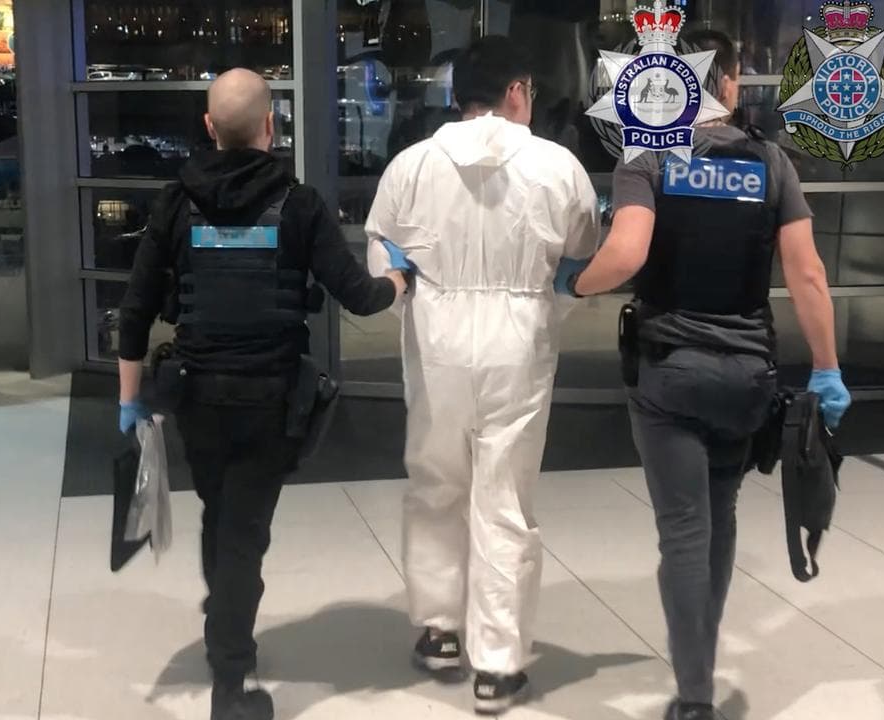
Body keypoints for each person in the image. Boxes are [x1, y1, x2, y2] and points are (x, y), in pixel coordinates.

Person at [558, 30, 852, 720]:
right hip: (747, 375)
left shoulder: (648, 160)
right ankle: (703, 669)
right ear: (730, 81)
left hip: (669, 375)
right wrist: (829, 370)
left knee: (683, 531)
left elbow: (626, 254)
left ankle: (694, 696)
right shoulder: (771, 163)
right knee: (719, 522)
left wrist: (575, 284)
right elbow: (807, 273)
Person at [116, 68, 408, 720]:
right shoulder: (299, 205)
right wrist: (403, 283)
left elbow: (134, 313)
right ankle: (231, 683)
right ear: (271, 128)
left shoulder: (174, 203)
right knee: (244, 531)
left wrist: (129, 406)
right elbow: (360, 295)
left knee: (222, 514)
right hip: (270, 404)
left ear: (211, 130)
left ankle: (225, 616)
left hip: (196, 400)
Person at [363, 35, 599, 715]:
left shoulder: (411, 164)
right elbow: (583, 249)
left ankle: (439, 628)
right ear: (518, 90)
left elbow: (382, 250)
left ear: (456, 94)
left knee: (435, 479)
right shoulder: (557, 166)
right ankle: (496, 665)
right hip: (519, 336)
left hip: (436, 331)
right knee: (504, 497)